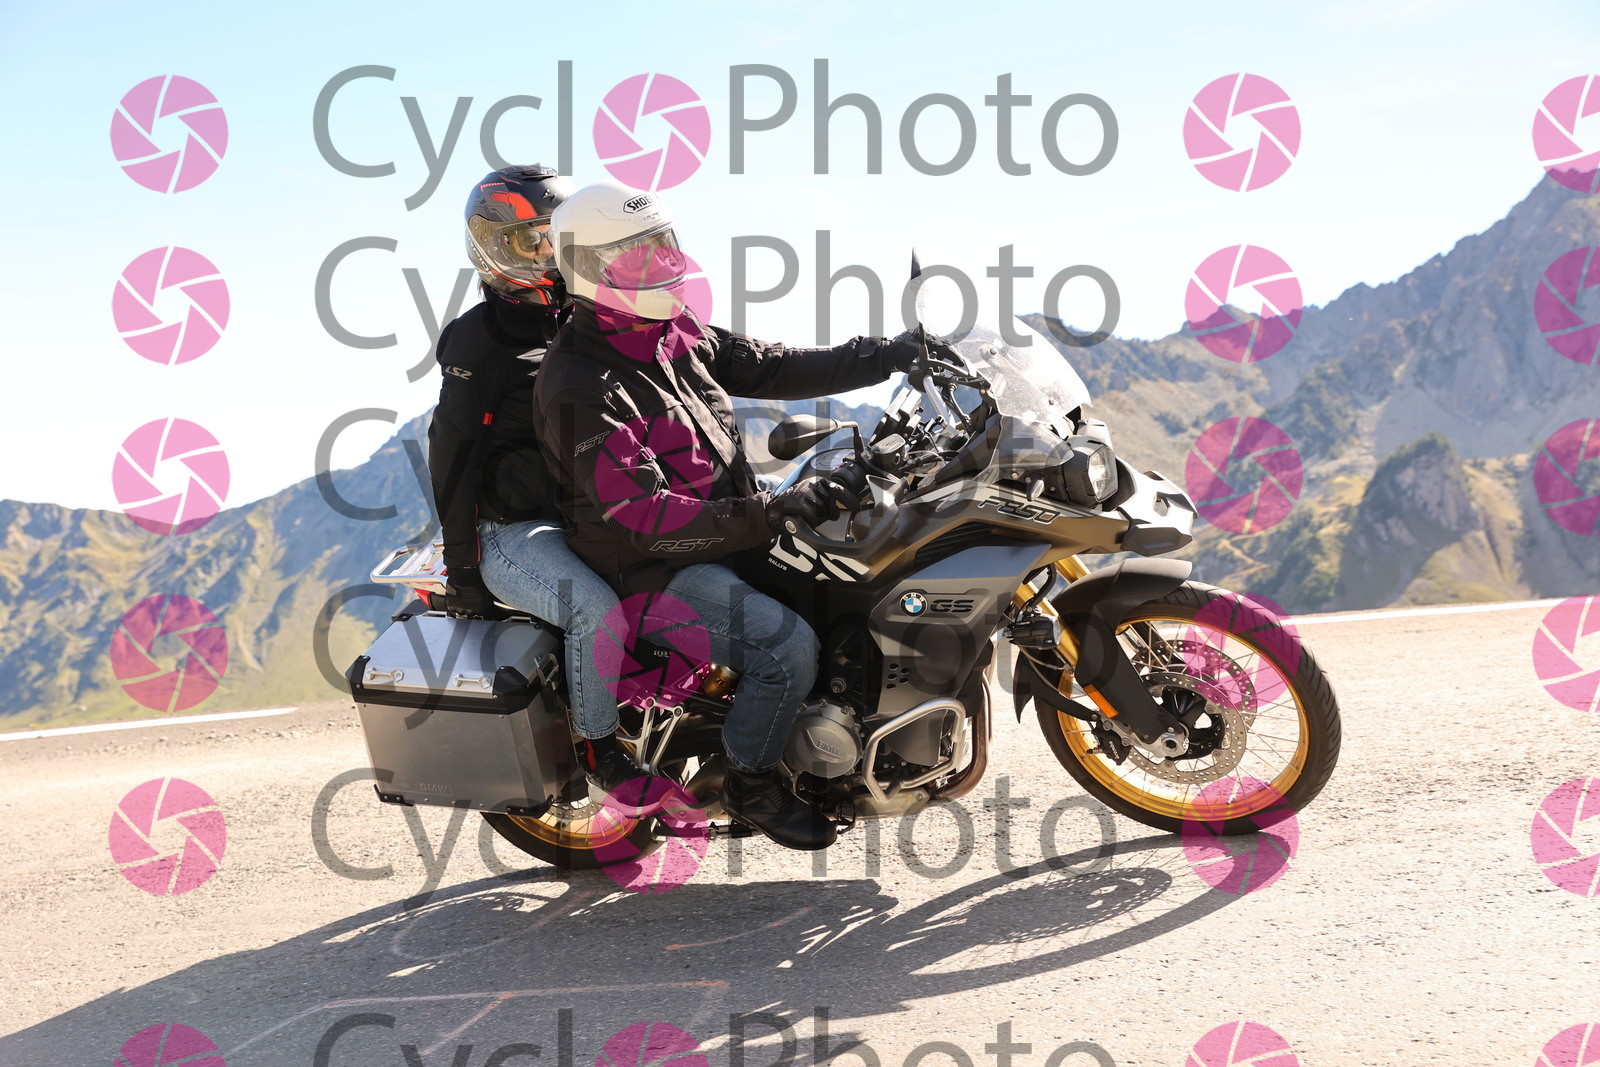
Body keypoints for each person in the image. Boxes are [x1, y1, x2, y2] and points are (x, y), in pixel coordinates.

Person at [534, 180, 926, 850]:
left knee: (852, 581)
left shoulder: (667, 331)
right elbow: (645, 516)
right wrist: (770, 510)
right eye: (638, 253)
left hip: (723, 528)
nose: (663, 262)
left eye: (662, 244)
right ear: (593, 269)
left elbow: (770, 367)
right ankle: (753, 783)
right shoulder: (578, 383)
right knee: (785, 647)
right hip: (652, 572)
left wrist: (889, 355)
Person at [428, 164, 649, 806]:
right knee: (595, 610)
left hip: (588, 517)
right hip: (513, 531)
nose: (548, 255)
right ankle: (599, 748)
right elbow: (451, 454)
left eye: (557, 239)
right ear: (491, 246)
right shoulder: (478, 339)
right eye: (531, 241)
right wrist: (463, 571)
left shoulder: (582, 319)